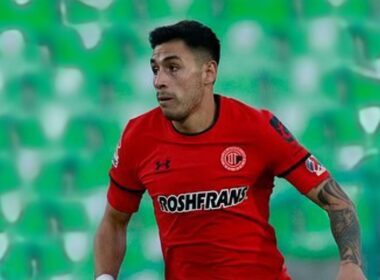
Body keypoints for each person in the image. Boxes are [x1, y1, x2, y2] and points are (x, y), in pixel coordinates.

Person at [94, 20, 365, 280]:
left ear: (208, 73)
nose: (159, 81)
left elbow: (337, 201)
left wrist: (351, 265)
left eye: (173, 68)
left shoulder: (257, 127)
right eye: (155, 69)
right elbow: (114, 220)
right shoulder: (138, 136)